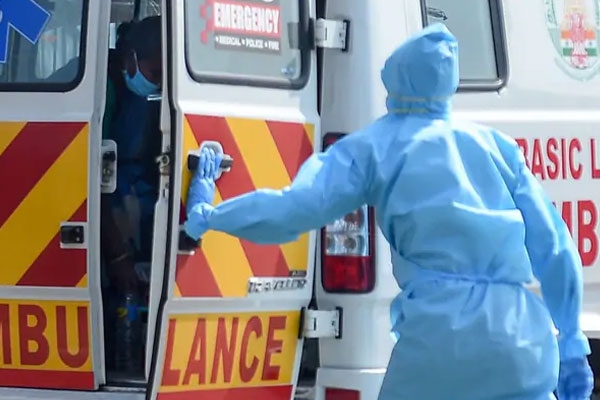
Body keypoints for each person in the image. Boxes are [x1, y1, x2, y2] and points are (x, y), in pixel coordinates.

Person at [182, 23, 593, 399]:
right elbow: (554, 247)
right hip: (520, 342)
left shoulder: (375, 147)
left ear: (393, 78)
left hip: (439, 339)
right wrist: (572, 341)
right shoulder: (496, 146)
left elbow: (293, 209)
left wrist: (210, 214)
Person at [101, 15, 162, 295]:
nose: (159, 85)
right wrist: (118, 256)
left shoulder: (139, 95)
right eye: (156, 74)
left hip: (132, 187)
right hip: (109, 193)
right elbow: (93, 178)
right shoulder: (102, 92)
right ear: (130, 59)